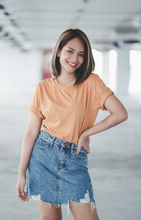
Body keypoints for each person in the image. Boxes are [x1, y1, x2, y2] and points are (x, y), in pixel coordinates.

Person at [16, 28, 128, 220]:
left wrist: (86, 134)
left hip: (75, 160)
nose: (75, 58)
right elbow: (31, 132)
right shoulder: (43, 88)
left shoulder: (92, 82)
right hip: (43, 158)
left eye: (81, 54)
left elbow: (120, 113)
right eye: (70, 50)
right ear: (58, 51)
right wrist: (21, 173)